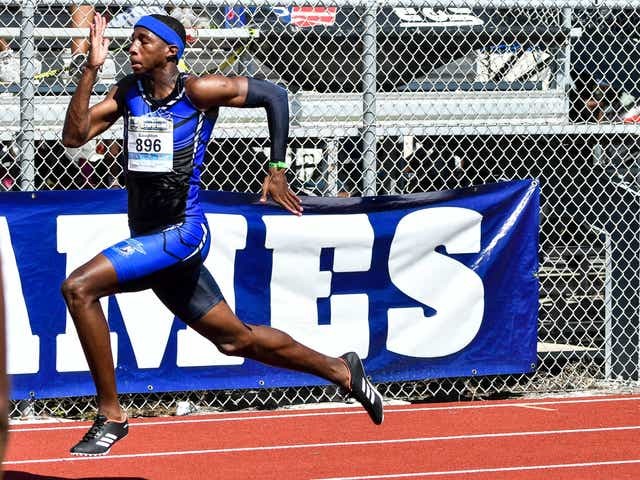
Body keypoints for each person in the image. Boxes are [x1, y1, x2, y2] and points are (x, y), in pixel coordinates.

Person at [61, 13, 383, 456]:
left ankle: (111, 414)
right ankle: (342, 371)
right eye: (131, 40)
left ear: (171, 51)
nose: (132, 48)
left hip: (181, 234)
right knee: (235, 339)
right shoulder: (128, 93)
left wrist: (277, 168)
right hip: (148, 237)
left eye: (143, 40)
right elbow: (74, 136)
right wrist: (91, 69)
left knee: (79, 288)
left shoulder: (197, 91)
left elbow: (275, 95)